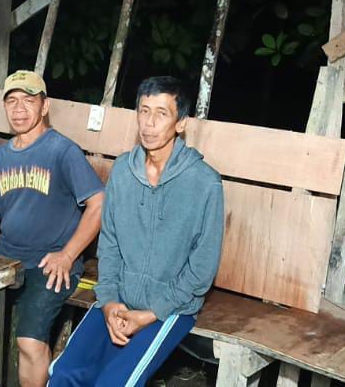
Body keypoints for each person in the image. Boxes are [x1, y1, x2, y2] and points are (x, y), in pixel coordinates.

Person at [0, 70, 105, 387]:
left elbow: (98, 203)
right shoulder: (2, 157)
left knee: (29, 342)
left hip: (51, 262)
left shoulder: (62, 150)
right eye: (12, 101)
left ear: (44, 106)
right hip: (5, 255)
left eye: (28, 100)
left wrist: (68, 255)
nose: (19, 108)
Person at [48, 76, 224, 387]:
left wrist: (150, 313)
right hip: (118, 298)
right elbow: (110, 245)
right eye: (144, 111)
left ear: (181, 123)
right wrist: (109, 302)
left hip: (170, 307)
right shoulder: (123, 171)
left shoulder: (205, 183)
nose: (149, 123)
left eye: (161, 113)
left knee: (116, 384)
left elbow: (201, 270)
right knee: (63, 375)